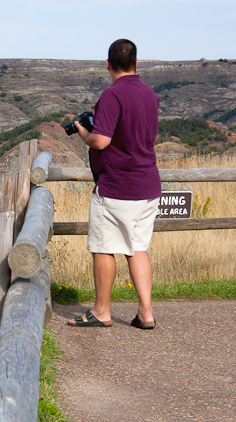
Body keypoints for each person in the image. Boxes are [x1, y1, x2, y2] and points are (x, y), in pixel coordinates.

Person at [81, 39, 166, 330]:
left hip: (118, 185)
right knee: (137, 248)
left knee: (104, 247)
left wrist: (84, 133)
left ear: (108, 64)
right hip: (148, 185)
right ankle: (146, 313)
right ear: (137, 63)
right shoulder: (150, 94)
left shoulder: (112, 95)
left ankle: (102, 311)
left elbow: (101, 141)